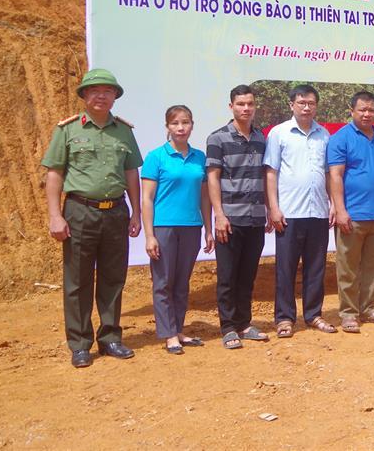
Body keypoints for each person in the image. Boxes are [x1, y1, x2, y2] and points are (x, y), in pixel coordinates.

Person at [42, 68, 143, 368]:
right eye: (94, 90)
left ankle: (111, 337)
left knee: (114, 278)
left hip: (115, 212)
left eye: (108, 91)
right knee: (78, 280)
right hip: (79, 212)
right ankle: (80, 343)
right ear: (84, 96)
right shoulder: (68, 130)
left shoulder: (124, 131)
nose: (101, 95)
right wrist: (55, 216)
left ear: (115, 97)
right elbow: (54, 173)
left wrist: (136, 211)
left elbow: (130, 173)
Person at [141, 105, 214, 354]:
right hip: (164, 228)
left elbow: (205, 198)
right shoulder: (156, 157)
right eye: (175, 123)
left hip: (192, 227)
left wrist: (208, 228)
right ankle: (168, 333)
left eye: (185, 122)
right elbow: (147, 199)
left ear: (192, 125)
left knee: (182, 282)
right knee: (163, 282)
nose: (181, 127)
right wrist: (149, 235)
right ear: (167, 127)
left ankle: (179, 329)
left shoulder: (199, 158)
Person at [264, 84, 335, 338]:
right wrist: (273, 207)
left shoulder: (324, 135)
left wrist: (333, 203)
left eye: (311, 103)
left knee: (316, 267)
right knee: (286, 267)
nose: (307, 107)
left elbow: (328, 174)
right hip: (289, 212)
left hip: (318, 211)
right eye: (302, 103)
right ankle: (284, 318)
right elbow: (270, 172)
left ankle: (314, 314)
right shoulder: (279, 133)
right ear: (291, 105)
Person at [206, 84, 271, 349]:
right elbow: (212, 178)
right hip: (229, 220)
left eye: (250, 104)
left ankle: (244, 323)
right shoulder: (217, 138)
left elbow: (266, 177)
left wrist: (267, 209)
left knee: (247, 275)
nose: (246, 108)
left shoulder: (261, 138)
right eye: (240, 104)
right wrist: (218, 215)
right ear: (230, 106)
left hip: (255, 218)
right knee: (227, 276)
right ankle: (228, 327)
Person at [328, 91, 374, 332]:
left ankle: (368, 308)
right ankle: (348, 313)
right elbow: (335, 176)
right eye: (362, 110)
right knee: (348, 268)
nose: (367, 114)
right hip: (352, 215)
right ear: (351, 110)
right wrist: (340, 210)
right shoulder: (340, 138)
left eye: (371, 110)